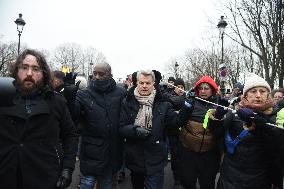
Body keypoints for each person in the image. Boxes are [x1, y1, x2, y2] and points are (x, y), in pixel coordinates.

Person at [0, 49, 78, 189]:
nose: (29, 73)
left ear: (44, 74)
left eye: (35, 69)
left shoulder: (56, 101)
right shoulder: (3, 98)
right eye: (24, 67)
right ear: (17, 71)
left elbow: (70, 135)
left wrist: (67, 168)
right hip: (7, 175)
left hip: (45, 175)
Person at [119, 70, 193, 189]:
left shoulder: (163, 103)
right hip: (135, 157)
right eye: (141, 82)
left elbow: (175, 122)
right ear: (136, 83)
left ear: (153, 83)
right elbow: (121, 127)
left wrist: (187, 107)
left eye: (147, 83)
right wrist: (135, 130)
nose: (144, 86)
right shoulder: (127, 102)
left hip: (155, 158)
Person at [210, 73, 284, 189]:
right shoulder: (234, 114)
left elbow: (278, 147)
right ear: (245, 96)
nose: (258, 95)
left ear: (268, 95)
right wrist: (218, 117)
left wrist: (263, 125)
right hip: (230, 179)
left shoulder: (275, 116)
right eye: (253, 91)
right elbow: (216, 134)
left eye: (262, 91)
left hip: (260, 180)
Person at [72, 62, 126, 189]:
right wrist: (69, 98)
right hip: (91, 151)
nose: (96, 76)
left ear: (109, 74)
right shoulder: (84, 93)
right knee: (86, 184)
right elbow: (73, 116)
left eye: (101, 74)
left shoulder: (121, 92)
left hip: (112, 151)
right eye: (94, 73)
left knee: (107, 184)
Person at [178, 75, 222, 189]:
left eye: (206, 88)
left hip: (209, 153)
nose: (203, 91)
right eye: (200, 88)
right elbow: (178, 122)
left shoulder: (219, 104)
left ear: (212, 90)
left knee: (207, 183)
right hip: (189, 151)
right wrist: (187, 105)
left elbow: (220, 132)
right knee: (187, 181)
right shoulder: (191, 102)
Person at [166, 78, 186, 189]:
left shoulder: (188, 98)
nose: (180, 89)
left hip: (185, 133)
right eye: (178, 87)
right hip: (173, 133)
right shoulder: (169, 99)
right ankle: (177, 179)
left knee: (185, 157)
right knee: (176, 157)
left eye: (182, 87)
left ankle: (184, 178)